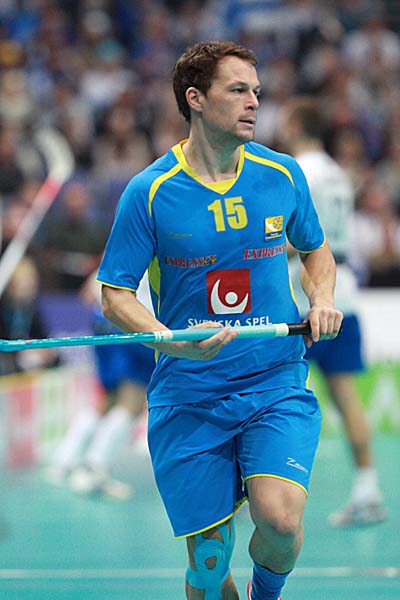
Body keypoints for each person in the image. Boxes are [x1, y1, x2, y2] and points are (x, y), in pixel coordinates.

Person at [97, 41, 343, 600]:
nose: (254, 101)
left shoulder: (281, 174)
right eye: (237, 90)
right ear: (196, 99)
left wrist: (322, 298)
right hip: (189, 393)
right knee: (208, 565)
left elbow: (316, 252)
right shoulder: (150, 191)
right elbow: (114, 295)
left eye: (256, 91)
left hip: (272, 381)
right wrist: (170, 342)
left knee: (281, 524)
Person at [278, 96, 386, 527]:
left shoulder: (296, 171)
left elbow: (298, 238)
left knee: (275, 396)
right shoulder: (339, 172)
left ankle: (262, 495)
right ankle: (368, 489)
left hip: (306, 295)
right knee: (346, 399)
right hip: (346, 293)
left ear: (295, 126)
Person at [45, 271, 154, 500]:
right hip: (133, 324)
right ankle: (94, 468)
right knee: (132, 402)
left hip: (104, 319)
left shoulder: (120, 254)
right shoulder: (157, 251)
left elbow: (87, 292)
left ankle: (64, 460)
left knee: (109, 399)